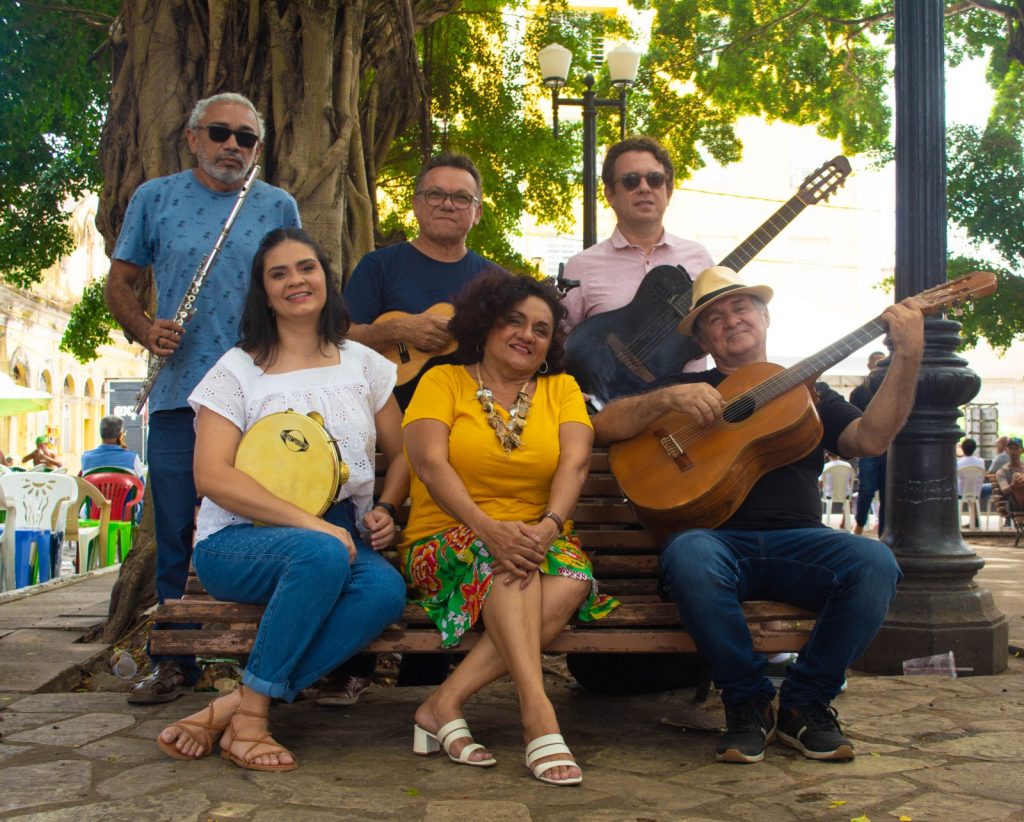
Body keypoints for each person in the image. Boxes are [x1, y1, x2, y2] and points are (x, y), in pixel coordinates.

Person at [591, 266, 924, 764]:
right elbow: (605, 424)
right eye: (714, 317)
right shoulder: (686, 387)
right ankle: (746, 703)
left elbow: (871, 439)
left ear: (765, 317)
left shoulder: (810, 391)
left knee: (874, 562)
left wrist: (908, 358)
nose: (730, 320)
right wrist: (666, 397)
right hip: (716, 543)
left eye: (741, 307)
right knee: (688, 552)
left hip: (800, 546)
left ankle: (804, 705)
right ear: (703, 337)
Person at [156, 227, 407, 772]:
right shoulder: (236, 370)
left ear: (325, 278)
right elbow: (212, 477)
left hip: (339, 530)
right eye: (279, 273)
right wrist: (309, 527)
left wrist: (386, 505)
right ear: (263, 293)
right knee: (317, 554)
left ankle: (239, 704)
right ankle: (250, 726)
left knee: (385, 591)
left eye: (306, 267)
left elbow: (404, 452)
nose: (296, 280)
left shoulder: (363, 363)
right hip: (240, 538)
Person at [105, 92, 301, 705]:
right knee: (176, 531)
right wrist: (145, 329)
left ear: (258, 150)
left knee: (272, 521)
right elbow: (120, 284)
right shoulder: (153, 198)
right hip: (179, 396)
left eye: (246, 139)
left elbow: (297, 290)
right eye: (220, 133)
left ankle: (267, 662)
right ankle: (176, 660)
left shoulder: (277, 204)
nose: (232, 147)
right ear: (193, 137)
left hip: (261, 396)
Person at [401, 270, 618, 786]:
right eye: (513, 321)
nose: (527, 334)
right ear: (486, 326)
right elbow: (430, 464)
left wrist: (550, 524)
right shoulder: (443, 380)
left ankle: (443, 702)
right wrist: (485, 526)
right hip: (446, 534)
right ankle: (537, 713)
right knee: (505, 565)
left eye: (541, 329)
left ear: (548, 346)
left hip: (536, 533)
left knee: (569, 578)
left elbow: (575, 465)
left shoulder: (561, 389)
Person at [333, 152, 492, 702]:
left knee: (444, 540)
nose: (449, 205)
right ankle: (346, 660)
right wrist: (396, 328)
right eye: (437, 195)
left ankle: (428, 670)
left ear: (476, 212)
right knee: (366, 541)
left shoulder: (491, 280)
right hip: (378, 430)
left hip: (458, 435)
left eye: (461, 198)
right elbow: (338, 336)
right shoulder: (380, 267)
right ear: (418, 204)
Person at [561, 136, 713, 345]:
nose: (644, 188)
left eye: (655, 179)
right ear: (610, 194)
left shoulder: (699, 258)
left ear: (668, 191)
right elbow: (561, 347)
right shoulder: (581, 267)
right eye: (631, 180)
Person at [851, 351, 887, 536]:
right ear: (869, 366)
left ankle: (883, 530)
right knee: (866, 489)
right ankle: (859, 524)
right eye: (877, 363)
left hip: (889, 448)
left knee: (886, 491)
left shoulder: (892, 392)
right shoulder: (859, 392)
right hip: (867, 450)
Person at [80, 416, 146, 479]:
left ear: (101, 434)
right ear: (121, 435)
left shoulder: (86, 458)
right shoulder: (133, 458)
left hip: (94, 491)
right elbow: (141, 486)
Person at [995, 437, 1024, 514]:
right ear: (1007, 451)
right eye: (1010, 449)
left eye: (1016, 449)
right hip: (1013, 504)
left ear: (1022, 450)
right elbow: (1004, 490)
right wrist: (1014, 485)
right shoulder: (1002, 471)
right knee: (1016, 476)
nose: (1013, 452)